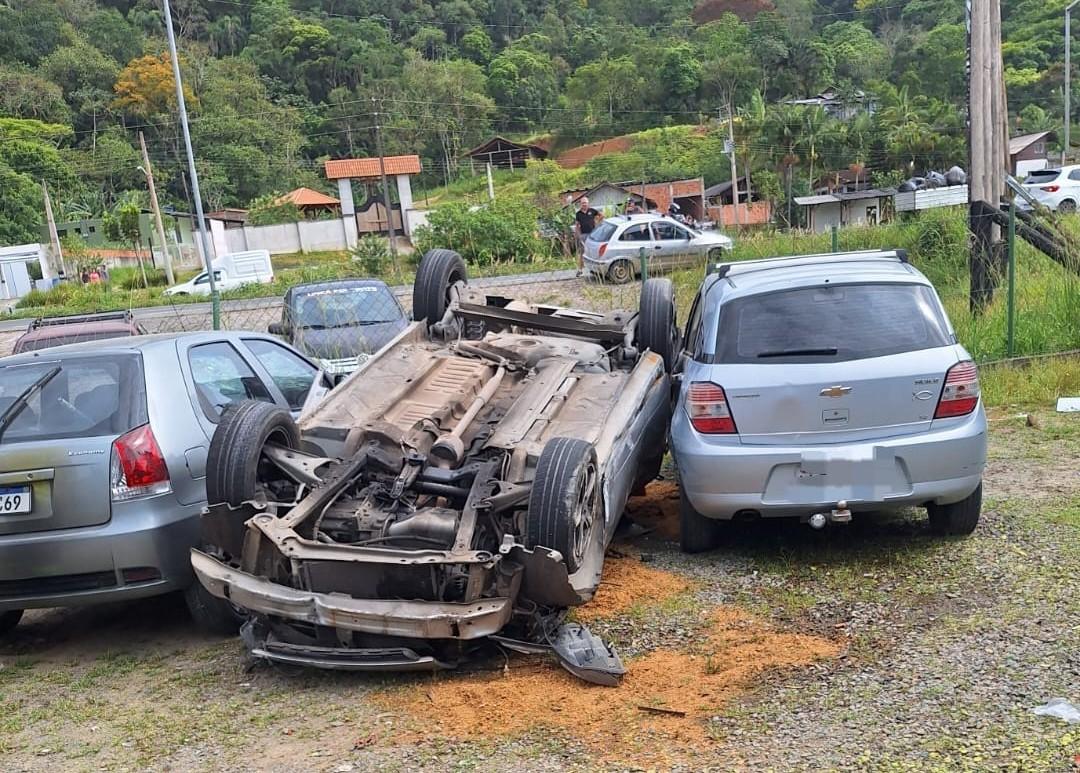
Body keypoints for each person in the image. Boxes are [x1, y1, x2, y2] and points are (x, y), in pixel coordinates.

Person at [573, 197, 601, 276]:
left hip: (593, 235)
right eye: (583, 203)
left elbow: (601, 215)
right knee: (582, 253)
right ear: (580, 204)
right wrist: (579, 236)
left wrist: (597, 223)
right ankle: (580, 270)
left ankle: (596, 270)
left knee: (594, 252)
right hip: (584, 235)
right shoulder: (578, 214)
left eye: (585, 202)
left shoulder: (592, 211)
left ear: (588, 203)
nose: (584, 204)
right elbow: (577, 226)